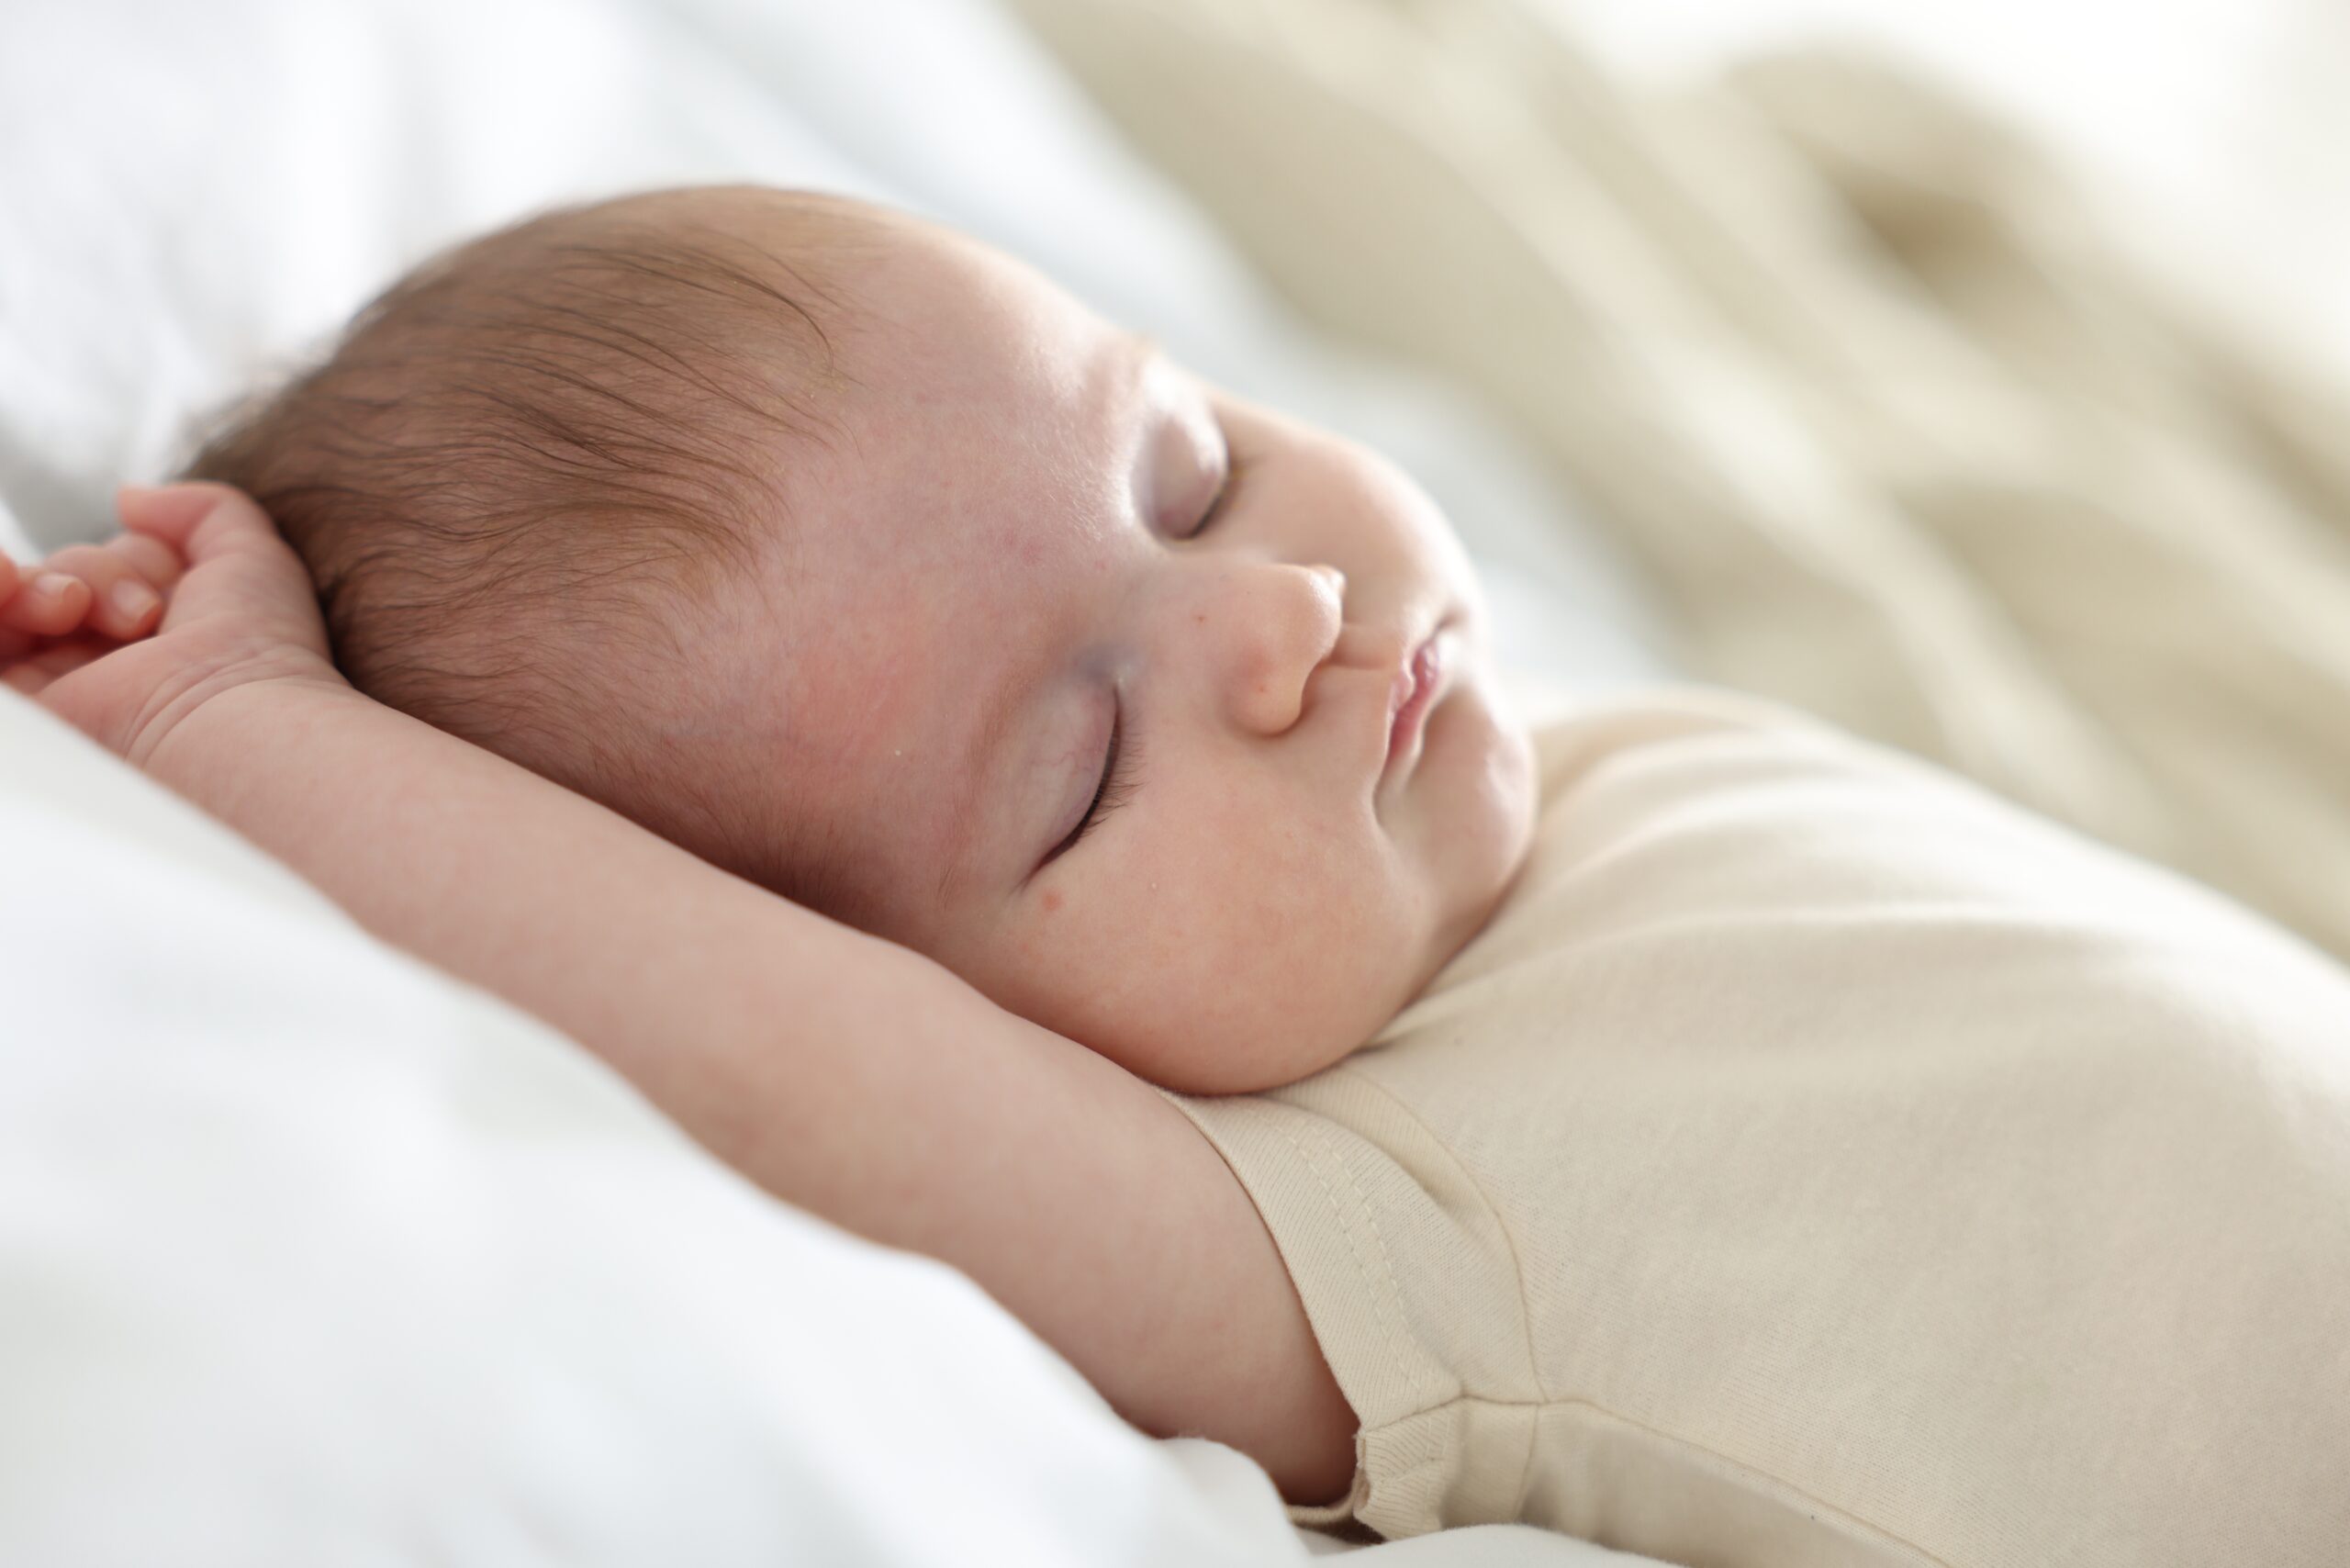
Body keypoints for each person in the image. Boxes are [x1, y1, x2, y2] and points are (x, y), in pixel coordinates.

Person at [7, 187, 2346, 1567]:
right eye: (1084, 763)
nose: (1269, 621)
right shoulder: (1362, 1223)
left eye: (1188, 465)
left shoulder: (1529, 776)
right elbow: (788, 1070)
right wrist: (245, 743)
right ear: (980, 1013)